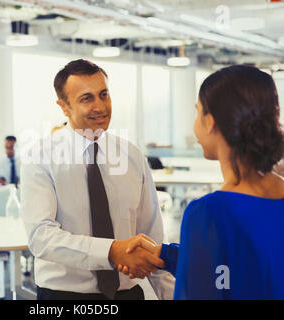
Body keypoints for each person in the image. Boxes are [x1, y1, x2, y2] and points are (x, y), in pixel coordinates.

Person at [119, 65, 284, 299]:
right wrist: (167, 255)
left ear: (211, 122)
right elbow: (251, 270)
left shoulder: (209, 213)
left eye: (197, 112)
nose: (194, 124)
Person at [20, 59, 174, 300]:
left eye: (104, 95)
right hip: (64, 296)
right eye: (86, 98)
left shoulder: (132, 156)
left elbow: (151, 236)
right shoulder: (40, 158)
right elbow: (41, 237)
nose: (100, 106)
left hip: (127, 294)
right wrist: (112, 251)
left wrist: (172, 295)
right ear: (64, 107)